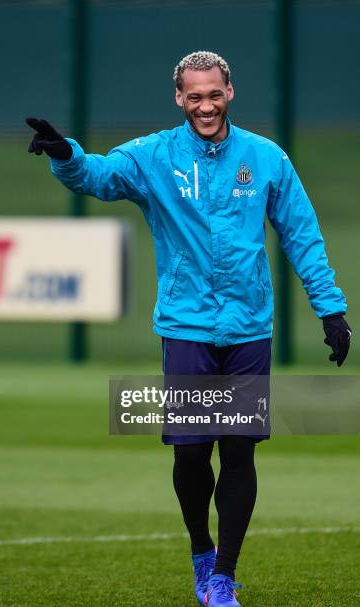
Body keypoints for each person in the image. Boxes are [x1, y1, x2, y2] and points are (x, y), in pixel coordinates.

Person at [26, 51, 351, 607]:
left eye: (214, 93)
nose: (206, 105)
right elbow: (99, 176)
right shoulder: (154, 156)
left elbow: (301, 233)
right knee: (192, 455)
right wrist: (65, 155)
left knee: (241, 452)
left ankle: (223, 575)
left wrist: (330, 308)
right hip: (187, 327)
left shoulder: (266, 158)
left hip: (249, 329)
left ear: (231, 91)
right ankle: (201, 551)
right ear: (179, 98)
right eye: (194, 96)